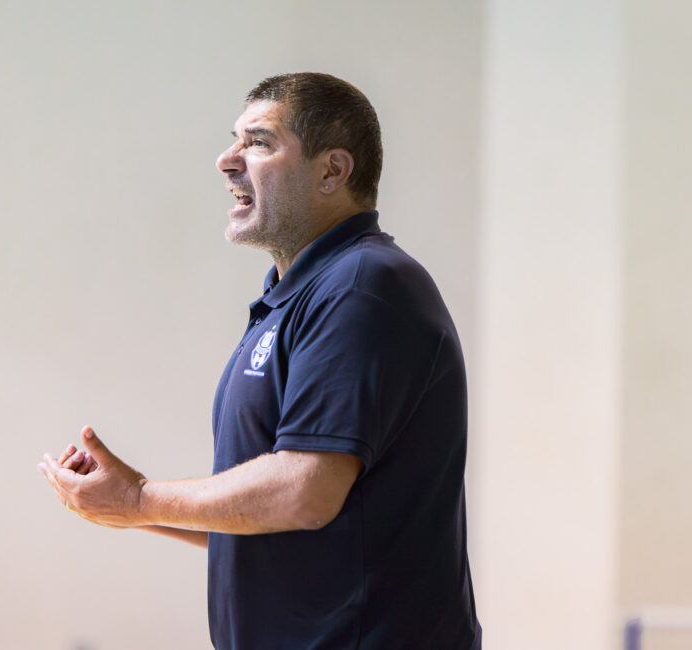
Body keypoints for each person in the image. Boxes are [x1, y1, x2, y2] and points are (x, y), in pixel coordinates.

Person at [39, 72, 481, 650]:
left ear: (332, 170)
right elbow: (277, 521)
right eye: (235, 141)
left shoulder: (362, 285)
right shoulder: (295, 296)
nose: (227, 161)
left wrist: (139, 498)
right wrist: (129, 508)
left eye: (258, 143)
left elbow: (304, 491)